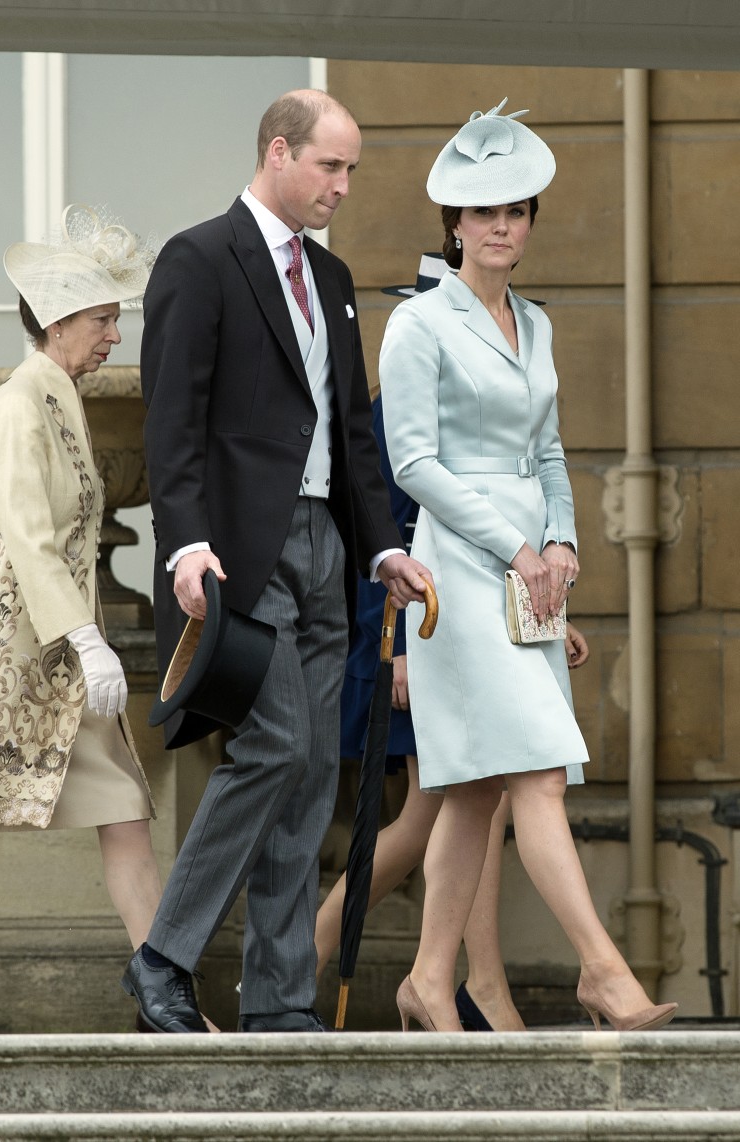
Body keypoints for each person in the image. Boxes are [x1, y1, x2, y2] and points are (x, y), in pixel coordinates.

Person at [122, 89, 431, 1034]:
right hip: (236, 556)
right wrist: (183, 544)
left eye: (351, 170)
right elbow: (169, 423)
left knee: (312, 771)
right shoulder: (198, 259)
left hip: (327, 552)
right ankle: (164, 959)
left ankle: (281, 1000)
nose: (344, 185)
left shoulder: (332, 278)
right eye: (330, 166)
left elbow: (347, 433)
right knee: (275, 745)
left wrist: (381, 545)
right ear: (277, 151)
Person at [379, 101, 678, 1033]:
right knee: (542, 772)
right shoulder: (419, 326)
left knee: (473, 787)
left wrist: (563, 547)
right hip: (458, 574)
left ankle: (430, 978)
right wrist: (516, 549)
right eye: (484, 211)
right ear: (455, 226)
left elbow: (549, 455)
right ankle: (602, 970)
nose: (502, 225)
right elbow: (414, 465)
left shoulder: (537, 326)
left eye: (516, 209)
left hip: (529, 574)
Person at [314, 273, 591, 1030]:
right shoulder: (394, 408)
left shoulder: (479, 409)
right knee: (431, 817)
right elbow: (384, 540)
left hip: (467, 626)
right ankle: (311, 959)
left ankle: (458, 982)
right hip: (418, 641)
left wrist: (543, 618)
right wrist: (399, 651)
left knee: (473, 802)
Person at [0, 205, 163, 955]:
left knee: (125, 807)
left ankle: (165, 995)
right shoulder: (16, 405)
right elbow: (27, 535)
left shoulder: (62, 399)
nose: (114, 336)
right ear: (56, 323)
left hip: (62, 664)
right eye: (102, 321)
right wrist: (88, 638)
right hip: (10, 657)